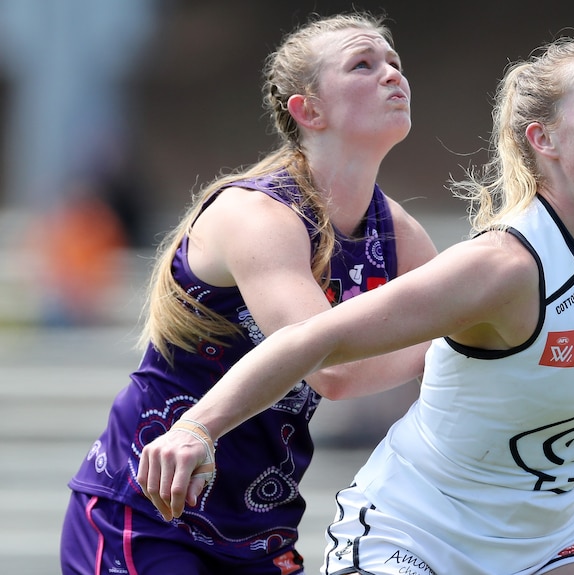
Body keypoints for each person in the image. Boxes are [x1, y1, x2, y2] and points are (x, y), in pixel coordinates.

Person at [138, 32, 574, 575]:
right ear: (544, 139)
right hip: (418, 536)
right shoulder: (502, 266)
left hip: (554, 543)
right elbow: (316, 340)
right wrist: (195, 428)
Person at [60, 11, 438, 575]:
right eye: (364, 64)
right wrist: (444, 340)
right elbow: (329, 370)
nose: (392, 75)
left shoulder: (398, 234)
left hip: (260, 526)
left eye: (395, 63)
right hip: (148, 511)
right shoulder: (260, 214)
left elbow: (477, 348)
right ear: (307, 110)